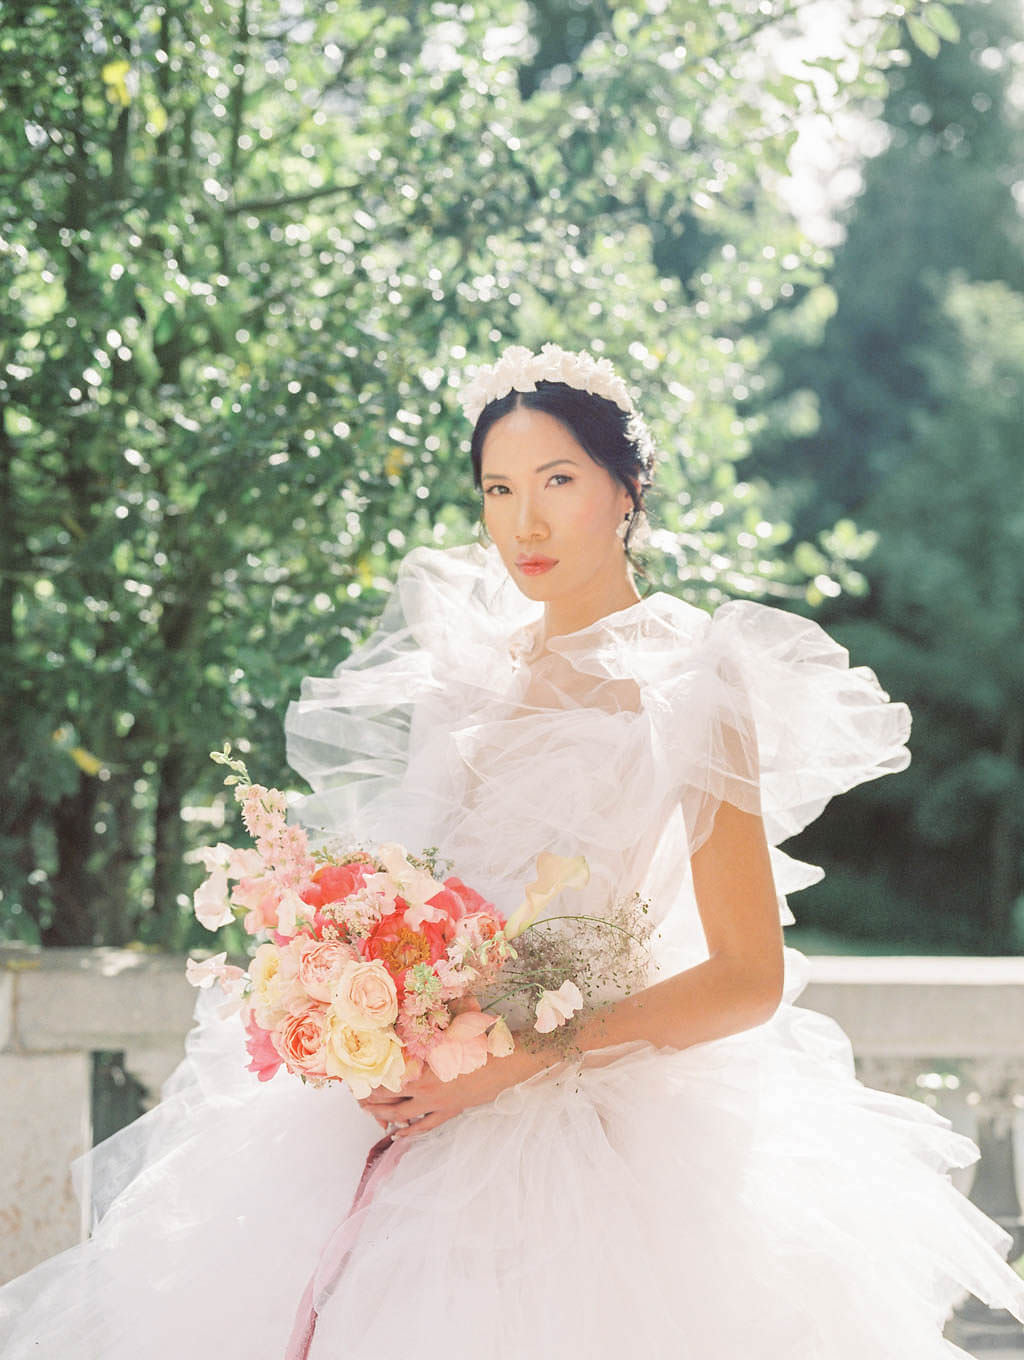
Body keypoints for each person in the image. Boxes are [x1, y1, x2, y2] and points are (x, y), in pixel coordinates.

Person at [2, 343, 1023, 1358]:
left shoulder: (694, 676)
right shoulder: (468, 665)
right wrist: (374, 991)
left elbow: (748, 979)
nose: (522, 522)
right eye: (497, 488)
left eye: (557, 481)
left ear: (625, 491)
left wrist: (507, 1065)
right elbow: (429, 884)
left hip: (594, 1129)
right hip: (417, 1098)